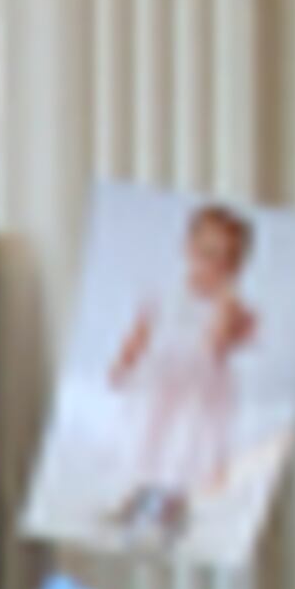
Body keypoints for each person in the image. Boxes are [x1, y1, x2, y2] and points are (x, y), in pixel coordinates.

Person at [107, 196, 261, 541]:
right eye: (208, 253)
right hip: (160, 379)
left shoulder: (232, 306)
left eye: (228, 259)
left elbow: (216, 345)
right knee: (148, 436)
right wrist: (124, 362)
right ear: (189, 249)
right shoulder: (164, 291)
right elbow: (141, 331)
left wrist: (225, 301)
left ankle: (172, 505)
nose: (216, 265)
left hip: (200, 387)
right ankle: (139, 494)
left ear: (239, 265)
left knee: (184, 445)